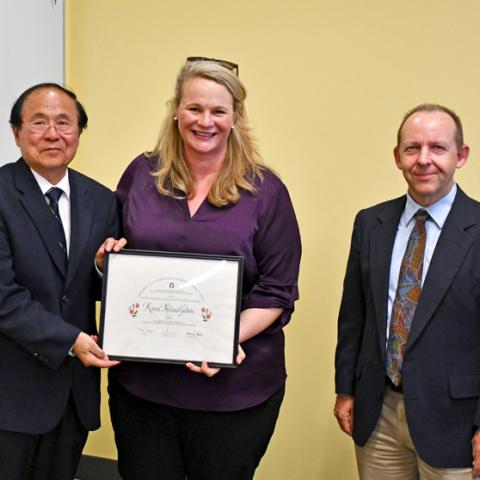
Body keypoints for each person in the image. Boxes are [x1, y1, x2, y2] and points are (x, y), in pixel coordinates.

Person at [97, 57, 301, 480]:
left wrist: (221, 340)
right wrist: (106, 263)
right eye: (195, 108)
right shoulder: (142, 174)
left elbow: (277, 292)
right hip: (143, 390)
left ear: (235, 117)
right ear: (176, 109)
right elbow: (120, 260)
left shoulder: (267, 192)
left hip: (233, 393)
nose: (204, 121)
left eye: (218, 111)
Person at [334, 104, 480, 478]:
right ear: (397, 157)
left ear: (461, 155)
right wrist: (346, 389)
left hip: (457, 422)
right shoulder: (371, 223)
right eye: (413, 148)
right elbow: (354, 315)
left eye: (438, 148)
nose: (424, 160)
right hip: (378, 415)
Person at [0, 83, 121, 480]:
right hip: (10, 395)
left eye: (64, 123)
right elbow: (5, 297)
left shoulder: (102, 200)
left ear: (79, 133)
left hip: (73, 397)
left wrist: (106, 269)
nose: (53, 134)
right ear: (16, 133)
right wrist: (72, 340)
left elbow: (106, 292)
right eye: (39, 122)